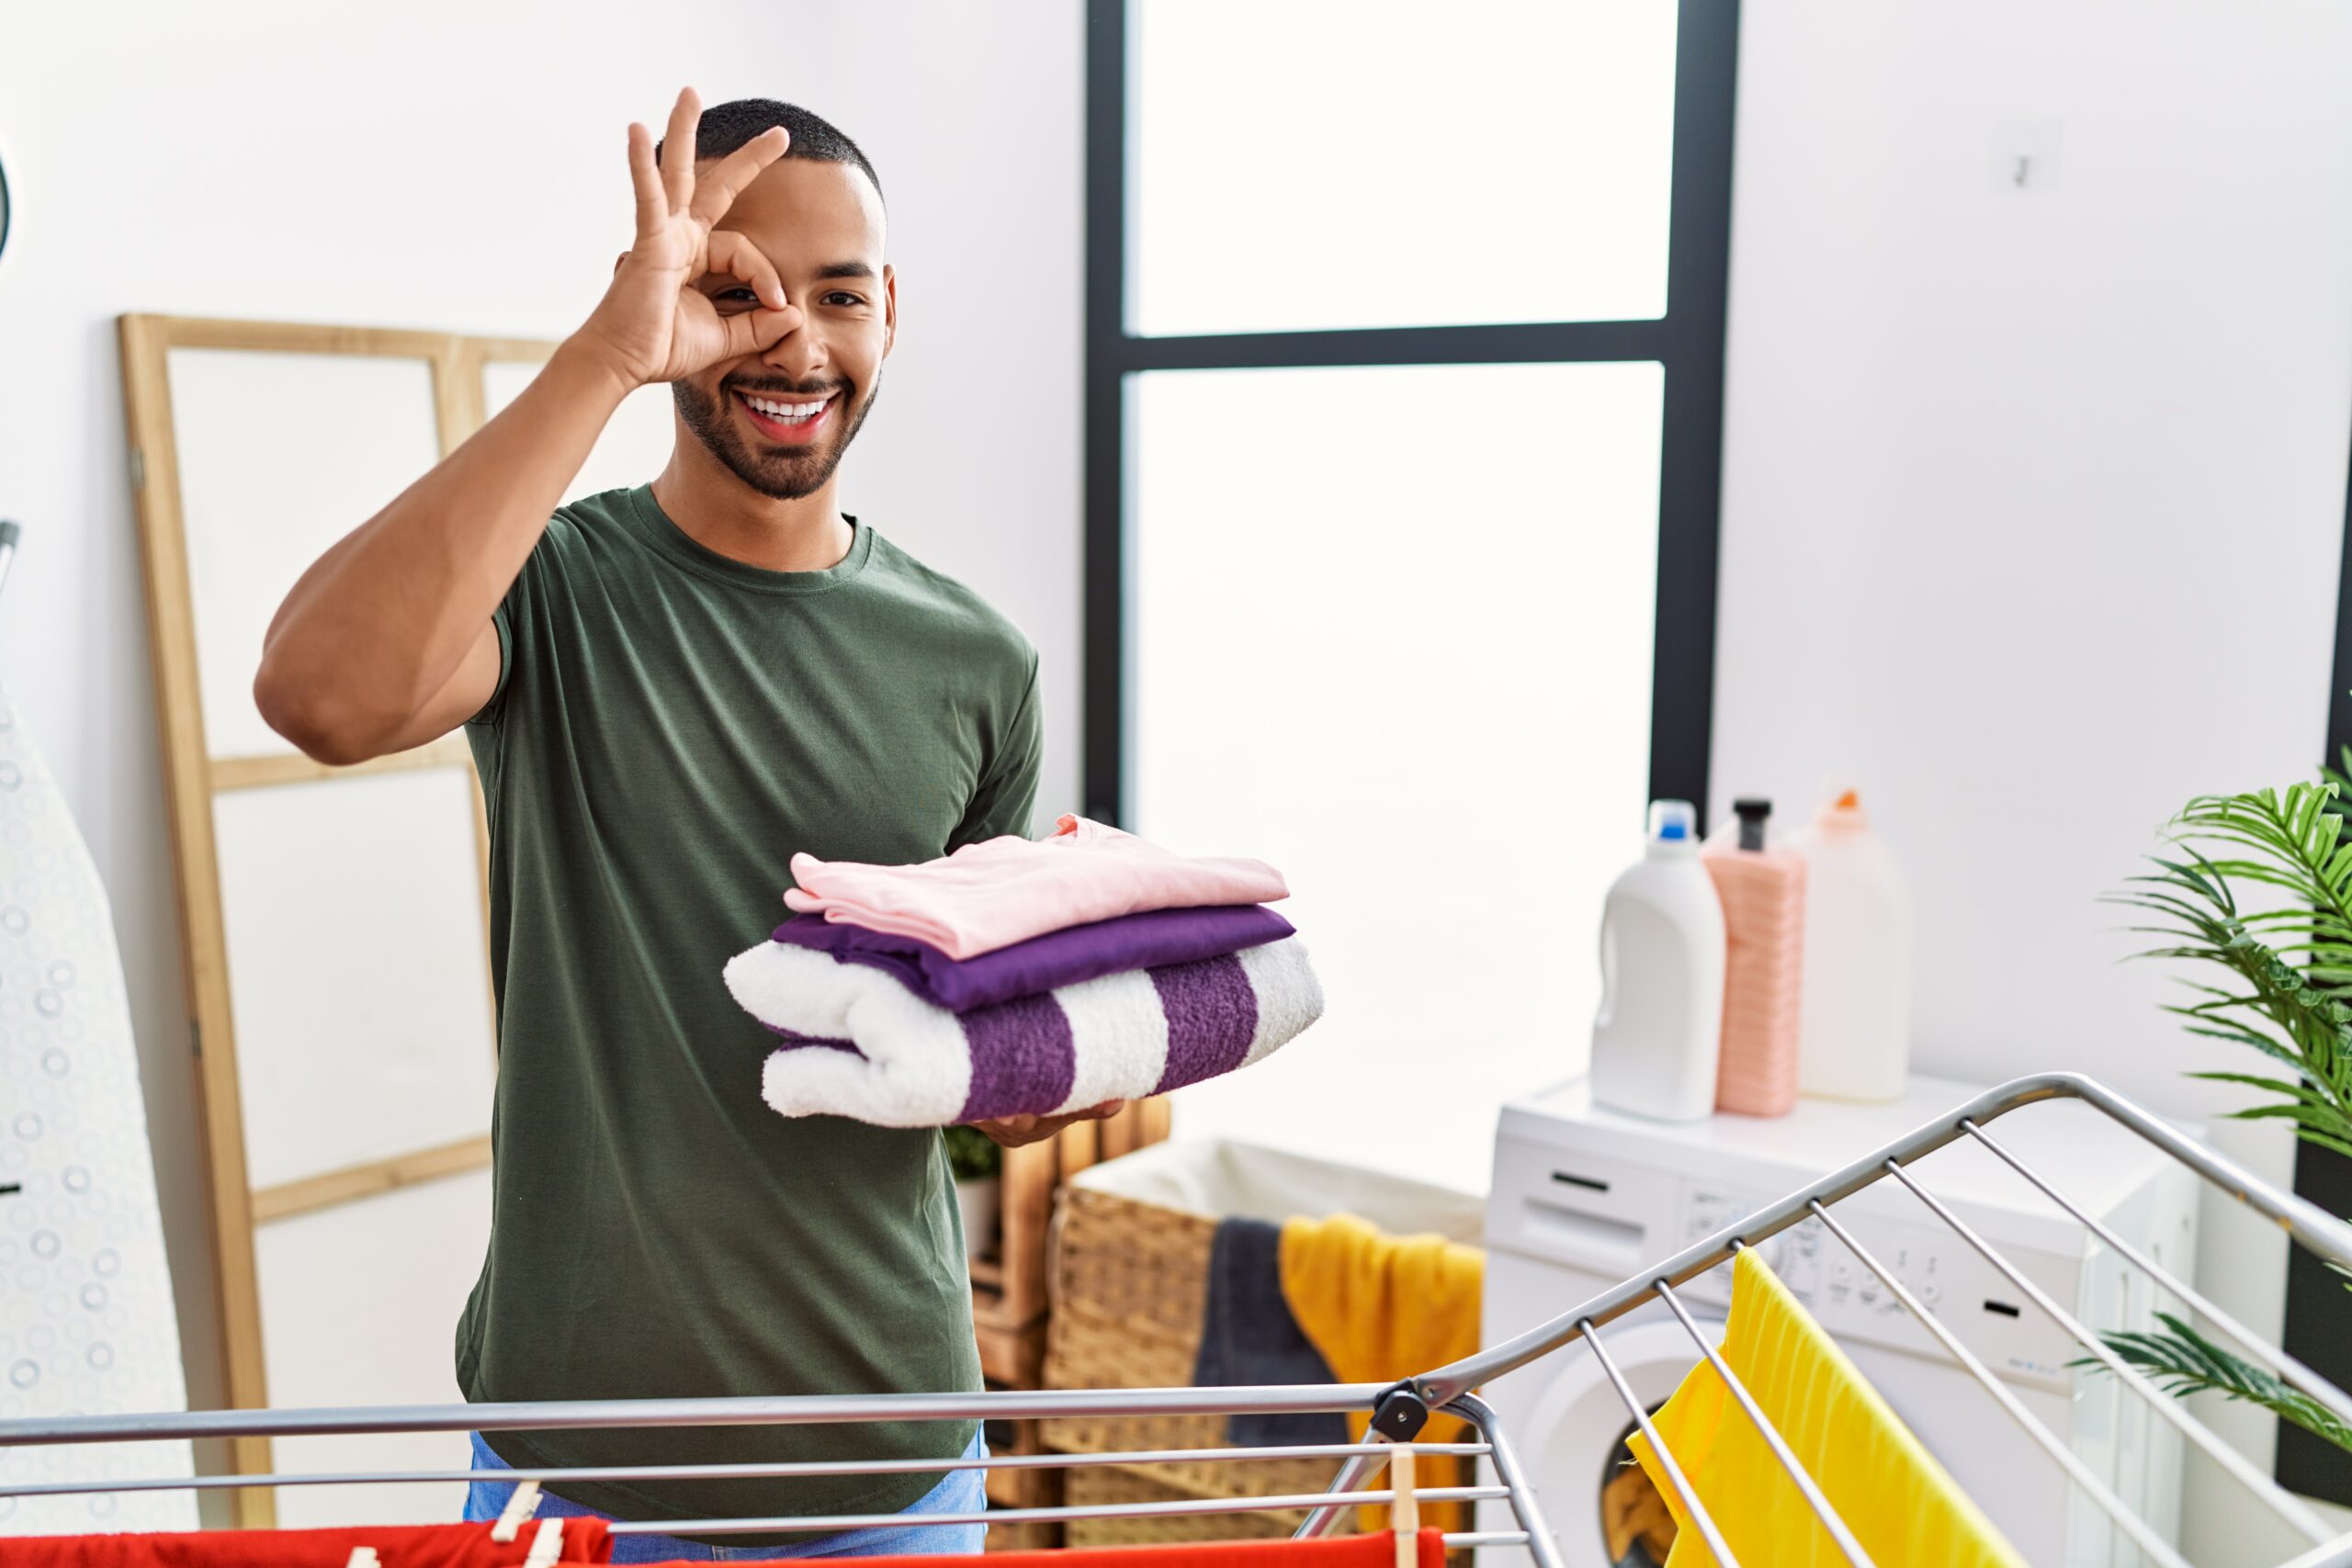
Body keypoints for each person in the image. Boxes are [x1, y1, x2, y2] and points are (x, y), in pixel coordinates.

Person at [255, 88, 1119, 1562]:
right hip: (583, 1456)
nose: (793, 341)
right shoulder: (554, 592)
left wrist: (1056, 1059)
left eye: (838, 296)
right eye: (736, 291)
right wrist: (609, 352)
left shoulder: (981, 665)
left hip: (891, 1462)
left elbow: (956, 1063)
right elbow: (321, 698)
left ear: (890, 312)